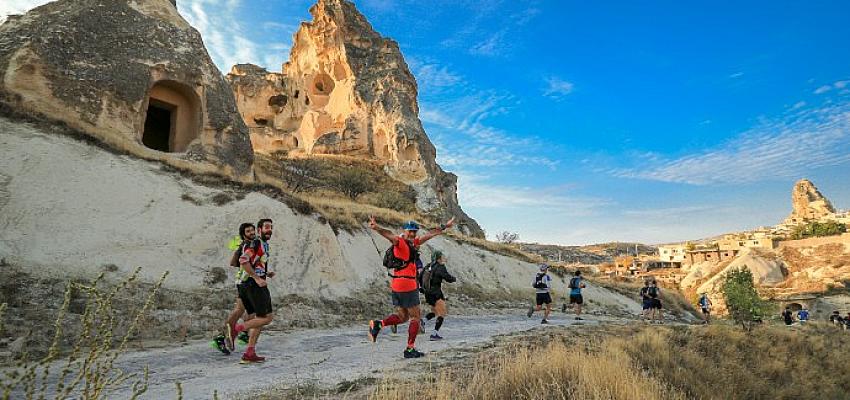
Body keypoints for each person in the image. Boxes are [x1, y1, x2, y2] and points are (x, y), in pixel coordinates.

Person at [367, 217, 455, 359]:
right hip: (407, 285)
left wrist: (445, 226)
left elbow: (430, 234)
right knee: (415, 317)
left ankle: (378, 324)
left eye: (414, 231)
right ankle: (410, 349)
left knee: (402, 317)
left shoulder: (412, 243)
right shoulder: (400, 242)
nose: (413, 234)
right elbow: (389, 235)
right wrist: (376, 228)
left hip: (397, 285)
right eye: (410, 231)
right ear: (404, 231)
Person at [211, 223, 255, 355]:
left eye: (252, 230)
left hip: (247, 281)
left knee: (244, 311)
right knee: (243, 311)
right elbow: (233, 262)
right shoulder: (244, 246)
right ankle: (234, 336)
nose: (252, 232)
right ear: (243, 234)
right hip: (245, 281)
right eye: (248, 231)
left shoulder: (251, 245)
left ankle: (226, 337)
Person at [236, 218, 275, 364]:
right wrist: (257, 277)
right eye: (266, 227)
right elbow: (243, 260)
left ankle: (249, 353)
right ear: (259, 230)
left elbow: (255, 261)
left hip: (250, 284)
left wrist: (266, 272)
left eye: (271, 227)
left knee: (259, 319)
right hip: (254, 285)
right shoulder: (256, 242)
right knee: (267, 317)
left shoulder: (264, 244)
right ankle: (238, 328)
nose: (269, 229)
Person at [420, 250, 456, 341]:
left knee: (435, 312)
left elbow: (419, 278)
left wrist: (423, 289)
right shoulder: (440, 267)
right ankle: (434, 334)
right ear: (439, 258)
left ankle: (423, 321)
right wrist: (453, 279)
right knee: (442, 313)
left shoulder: (427, 266)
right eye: (441, 257)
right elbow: (447, 277)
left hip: (427, 293)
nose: (442, 259)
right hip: (436, 293)